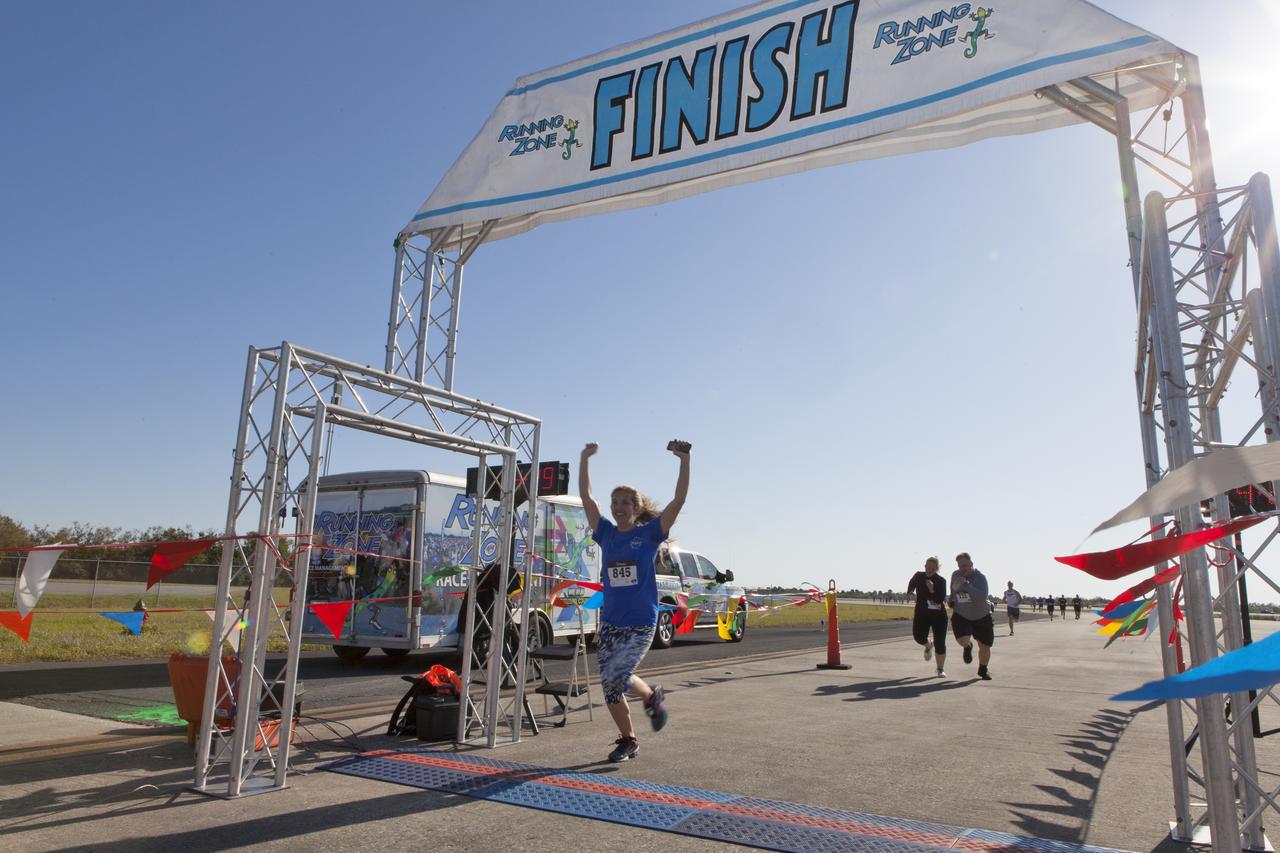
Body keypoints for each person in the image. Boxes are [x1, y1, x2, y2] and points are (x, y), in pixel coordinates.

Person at [579, 439, 690, 763]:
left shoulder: (651, 533)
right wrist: (585, 459)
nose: (618, 506)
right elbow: (586, 497)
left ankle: (645, 708)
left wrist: (684, 460)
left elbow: (679, 499)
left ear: (636, 509)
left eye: (626, 502)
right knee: (612, 685)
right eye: (615, 501)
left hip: (641, 620)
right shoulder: (606, 533)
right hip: (612, 619)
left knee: (619, 673)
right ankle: (630, 736)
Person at [949, 552, 994, 680]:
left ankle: (983, 670)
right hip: (962, 614)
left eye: (965, 565)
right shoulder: (956, 574)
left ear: (971, 564)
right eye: (960, 566)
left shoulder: (980, 578)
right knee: (962, 640)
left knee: (985, 646)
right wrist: (952, 598)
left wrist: (967, 586)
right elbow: (953, 588)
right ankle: (967, 646)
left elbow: (982, 597)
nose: (962, 568)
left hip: (982, 616)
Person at [907, 557, 948, 677]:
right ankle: (928, 645)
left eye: (932, 568)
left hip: (938, 616)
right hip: (922, 613)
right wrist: (909, 592)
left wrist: (931, 589)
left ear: (937, 569)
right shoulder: (919, 576)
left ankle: (940, 669)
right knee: (918, 637)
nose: (929, 570)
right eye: (927, 567)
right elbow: (912, 583)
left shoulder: (941, 581)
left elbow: (940, 599)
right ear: (924, 566)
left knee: (940, 643)